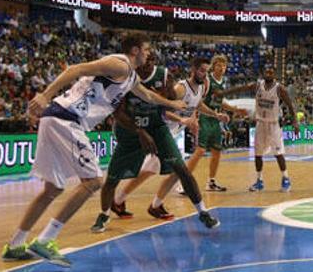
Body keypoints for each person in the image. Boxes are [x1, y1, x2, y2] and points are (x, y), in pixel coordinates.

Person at [1, 33, 188, 267]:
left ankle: (15, 245)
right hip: (65, 118)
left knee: (53, 189)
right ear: (135, 50)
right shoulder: (119, 63)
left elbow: (149, 95)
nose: (149, 53)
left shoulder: (130, 77)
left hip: (57, 119)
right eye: (146, 48)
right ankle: (45, 240)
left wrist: (174, 105)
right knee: (93, 181)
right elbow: (76, 69)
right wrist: (45, 94)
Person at [90, 54, 222, 233]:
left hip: (159, 130)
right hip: (133, 131)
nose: (148, 63)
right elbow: (120, 113)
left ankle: (202, 212)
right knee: (115, 177)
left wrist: (198, 117)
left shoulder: (169, 78)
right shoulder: (127, 78)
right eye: (145, 57)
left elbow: (176, 105)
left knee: (180, 170)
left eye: (152, 60)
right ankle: (107, 212)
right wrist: (181, 121)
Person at [147, 57, 230, 214]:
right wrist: (182, 119)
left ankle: (128, 201)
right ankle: (154, 205)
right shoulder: (180, 89)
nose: (204, 74)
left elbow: (198, 105)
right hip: (163, 130)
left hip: (174, 131)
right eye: (201, 70)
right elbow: (164, 110)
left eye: (206, 71)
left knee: (149, 171)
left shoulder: (201, 87)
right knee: (177, 171)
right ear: (193, 70)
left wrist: (216, 115)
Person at [223, 66, 299, 192]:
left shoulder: (280, 89)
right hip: (260, 124)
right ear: (263, 73)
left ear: (275, 74)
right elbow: (240, 88)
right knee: (258, 154)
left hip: (274, 125)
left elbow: (290, 106)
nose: (268, 73)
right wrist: (223, 94)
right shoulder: (257, 85)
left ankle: (286, 178)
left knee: (278, 154)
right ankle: (259, 181)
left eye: (271, 72)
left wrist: (295, 122)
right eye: (266, 71)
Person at [195, 55, 245, 192]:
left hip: (215, 119)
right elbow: (197, 100)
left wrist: (235, 109)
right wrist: (194, 118)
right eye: (219, 65)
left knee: (217, 152)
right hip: (204, 117)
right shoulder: (207, 80)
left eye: (224, 66)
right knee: (199, 151)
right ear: (213, 66)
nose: (222, 68)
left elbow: (220, 102)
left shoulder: (222, 82)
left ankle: (211, 182)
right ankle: (183, 182)